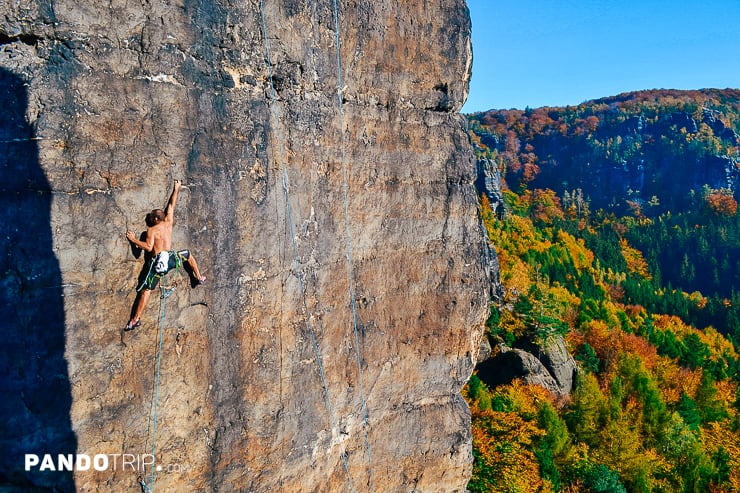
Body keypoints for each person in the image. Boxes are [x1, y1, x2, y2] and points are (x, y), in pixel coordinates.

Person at [124, 179, 205, 331]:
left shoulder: (151, 231)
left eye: (150, 217)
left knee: (146, 290)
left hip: (157, 264)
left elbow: (148, 248)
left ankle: (135, 320)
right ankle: (199, 277)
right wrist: (177, 188)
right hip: (169, 259)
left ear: (155, 219)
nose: (148, 219)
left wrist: (133, 239)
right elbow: (171, 205)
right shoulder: (168, 222)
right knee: (187, 254)